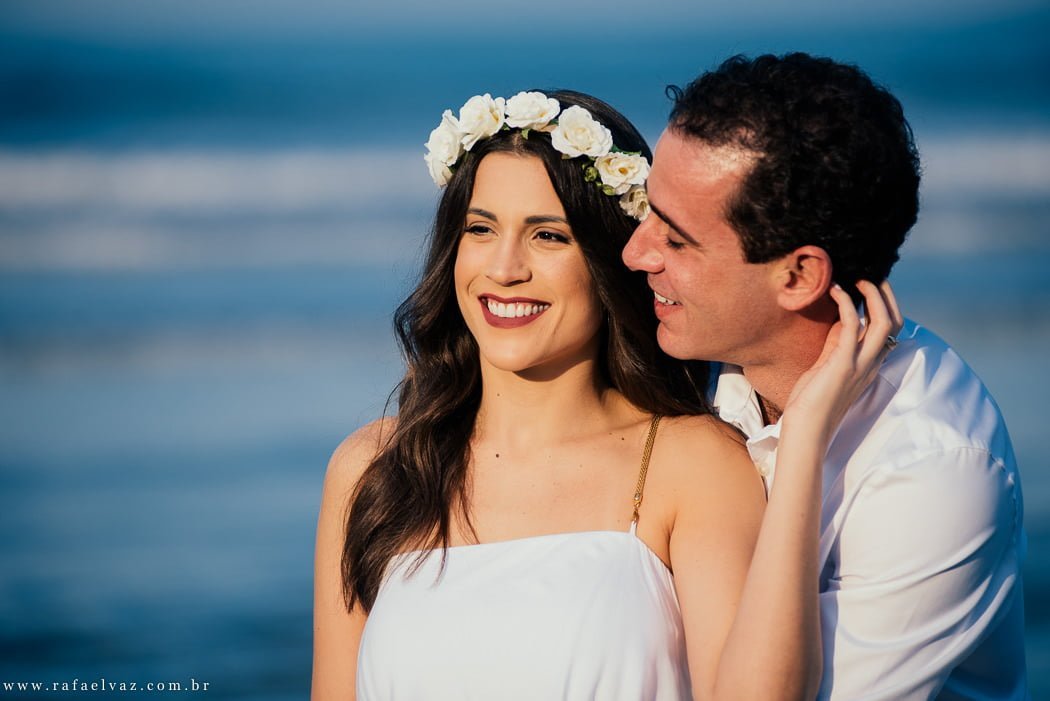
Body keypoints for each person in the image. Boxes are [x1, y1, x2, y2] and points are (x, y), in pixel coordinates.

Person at [312, 88, 898, 700]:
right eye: (480, 229)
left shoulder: (692, 462)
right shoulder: (373, 470)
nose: (504, 267)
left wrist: (802, 442)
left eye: (549, 237)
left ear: (609, 261)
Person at [624, 53, 1029, 700]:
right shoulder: (693, 354)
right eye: (650, 215)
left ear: (799, 276)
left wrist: (804, 441)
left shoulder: (932, 471)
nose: (635, 252)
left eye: (676, 241)